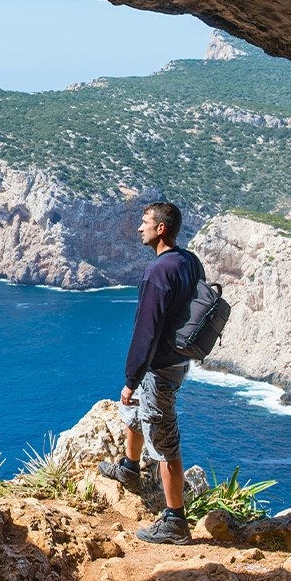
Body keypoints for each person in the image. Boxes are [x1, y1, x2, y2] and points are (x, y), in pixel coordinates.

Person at [98, 201, 202, 545]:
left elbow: (146, 331)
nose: (138, 228)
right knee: (135, 413)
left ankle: (175, 520)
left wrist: (131, 379)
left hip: (159, 367)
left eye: (144, 223)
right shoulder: (189, 261)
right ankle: (129, 469)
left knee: (164, 439)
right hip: (178, 359)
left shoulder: (157, 272)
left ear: (160, 229)